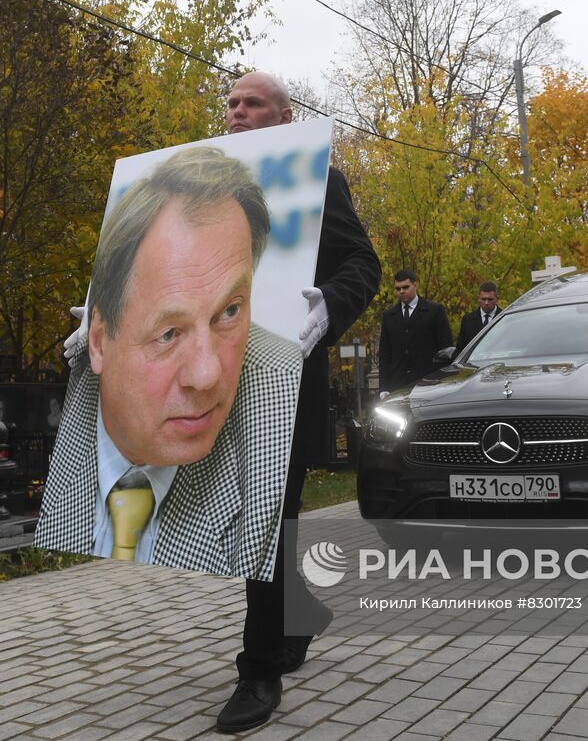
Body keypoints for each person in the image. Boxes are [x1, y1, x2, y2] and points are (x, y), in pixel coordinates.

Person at [34, 145, 303, 579]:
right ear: (100, 342)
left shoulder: (278, 411)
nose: (208, 374)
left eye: (229, 312)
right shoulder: (80, 394)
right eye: (168, 334)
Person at [215, 71, 379, 734]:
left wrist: (328, 308)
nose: (237, 112)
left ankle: (258, 671)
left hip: (282, 379)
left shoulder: (318, 180)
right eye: (230, 103)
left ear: (285, 117)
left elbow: (360, 264)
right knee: (251, 519)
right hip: (218, 377)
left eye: (252, 103)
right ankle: (300, 613)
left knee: (262, 520)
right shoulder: (204, 187)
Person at [377, 270, 453, 394]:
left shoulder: (434, 311)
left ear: (415, 285)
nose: (401, 291)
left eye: (405, 287)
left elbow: (445, 349)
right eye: (398, 288)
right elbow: (385, 354)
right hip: (398, 384)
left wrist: (444, 381)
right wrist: (383, 388)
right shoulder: (389, 316)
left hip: (428, 382)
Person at [456, 281, 501, 351]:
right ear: (478, 298)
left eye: (490, 299)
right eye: (483, 299)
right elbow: (461, 348)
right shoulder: (468, 320)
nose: (486, 303)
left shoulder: (505, 318)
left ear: (497, 298)